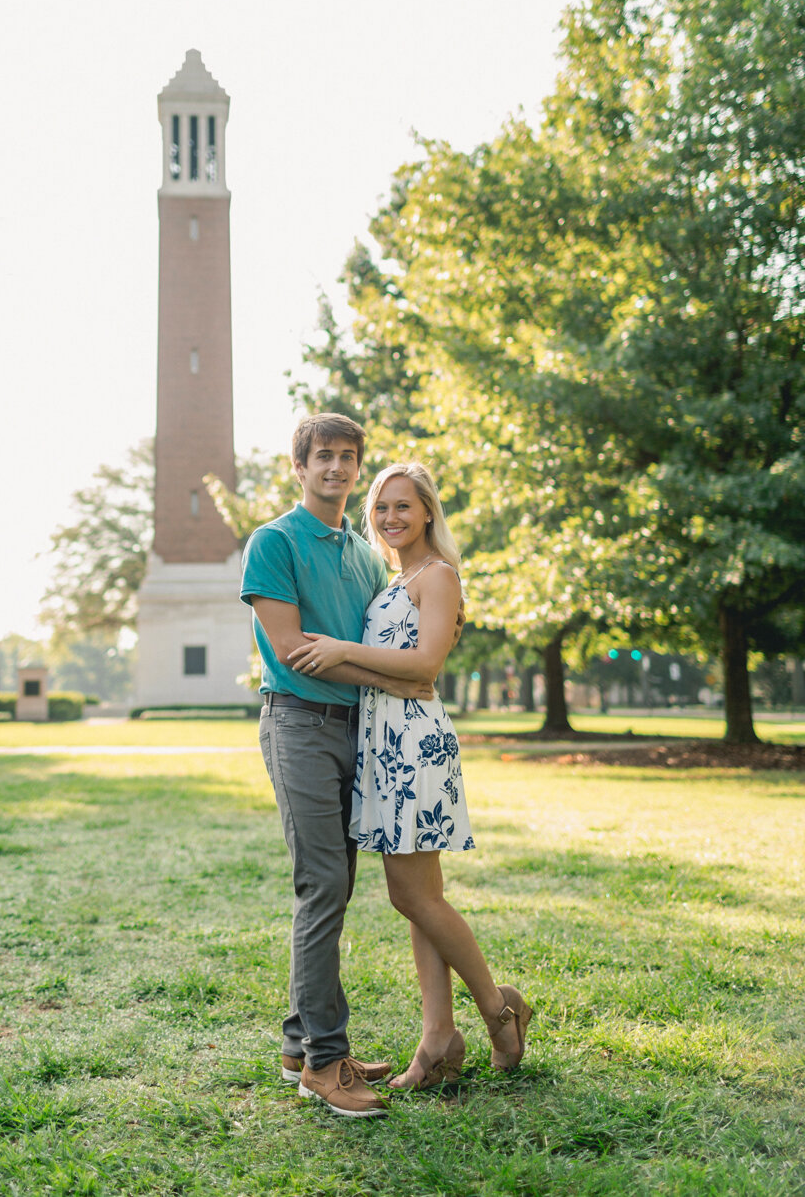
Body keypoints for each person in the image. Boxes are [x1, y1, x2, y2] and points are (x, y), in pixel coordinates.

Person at [288, 462, 532, 1089]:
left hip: (415, 744)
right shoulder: (391, 582)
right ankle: (437, 1040)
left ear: (428, 511)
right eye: (382, 509)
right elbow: (403, 667)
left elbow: (425, 662)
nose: (392, 518)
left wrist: (342, 650)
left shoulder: (438, 576)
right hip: (383, 741)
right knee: (422, 900)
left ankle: (499, 1010)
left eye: (404, 506)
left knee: (412, 895)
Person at [240, 415, 435, 1117]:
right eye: (323, 456)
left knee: (338, 882)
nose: (337, 469)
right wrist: (372, 666)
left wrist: (398, 670)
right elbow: (292, 648)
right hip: (299, 724)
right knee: (322, 884)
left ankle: (300, 1041)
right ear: (299, 467)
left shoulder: (363, 552)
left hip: (362, 729)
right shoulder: (274, 541)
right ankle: (325, 1064)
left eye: (348, 458)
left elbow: (371, 649)